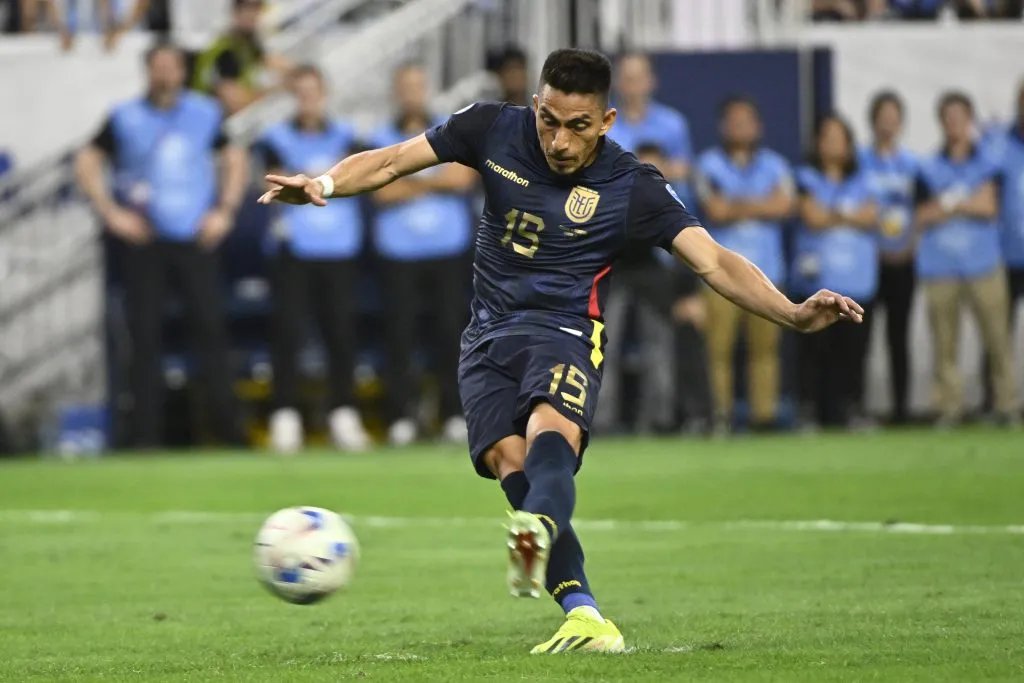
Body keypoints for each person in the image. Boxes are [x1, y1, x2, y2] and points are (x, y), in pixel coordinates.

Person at [258, 48, 864, 654]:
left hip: (565, 330)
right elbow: (392, 161)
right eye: (549, 120)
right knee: (509, 461)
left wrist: (790, 311)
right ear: (535, 105)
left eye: (578, 126)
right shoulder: (491, 127)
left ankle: (539, 530)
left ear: (607, 121)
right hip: (487, 336)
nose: (559, 141)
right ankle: (585, 616)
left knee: (552, 431)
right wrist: (323, 184)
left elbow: (714, 261)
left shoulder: (632, 186)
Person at [75, 41, 248, 448]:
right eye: (159, 66)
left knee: (211, 331)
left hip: (194, 239)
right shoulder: (125, 116)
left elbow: (234, 157)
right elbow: (87, 160)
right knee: (144, 337)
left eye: (173, 66)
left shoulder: (204, 113)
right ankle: (144, 437)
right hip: (145, 241)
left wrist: (225, 210)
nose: (166, 73)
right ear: (148, 70)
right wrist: (111, 212)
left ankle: (229, 433)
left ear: (183, 72)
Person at [253, 64, 371, 454]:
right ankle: (285, 415)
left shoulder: (348, 137)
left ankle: (344, 414)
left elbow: (359, 177)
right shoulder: (275, 138)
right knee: (287, 334)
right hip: (294, 250)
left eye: (313, 92)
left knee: (341, 334)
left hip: (339, 247)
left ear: (324, 94)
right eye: (300, 92)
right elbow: (272, 180)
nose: (307, 100)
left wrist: (309, 176)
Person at [369, 63, 478, 446]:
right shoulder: (379, 136)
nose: (412, 93)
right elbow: (381, 192)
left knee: (451, 334)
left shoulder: (450, 129)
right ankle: (400, 415)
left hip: (447, 249)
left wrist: (406, 179)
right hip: (399, 254)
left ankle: (453, 414)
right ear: (396, 91)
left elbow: (463, 179)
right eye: (406, 86)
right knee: (399, 337)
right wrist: (433, 181)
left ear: (426, 88)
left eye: (417, 85)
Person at [914, 91, 1018, 427]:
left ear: (970, 120)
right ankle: (949, 408)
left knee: (998, 340)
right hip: (939, 267)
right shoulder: (927, 167)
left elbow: (988, 207)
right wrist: (965, 202)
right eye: (948, 118)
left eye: (960, 117)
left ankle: (1007, 405)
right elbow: (921, 215)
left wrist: (948, 204)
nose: (954, 124)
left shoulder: (988, 163)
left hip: (984, 264)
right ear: (941, 122)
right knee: (944, 344)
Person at [694, 96, 794, 433]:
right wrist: (761, 204)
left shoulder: (777, 166)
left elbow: (784, 206)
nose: (740, 127)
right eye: (733, 121)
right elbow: (715, 210)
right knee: (717, 350)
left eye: (746, 120)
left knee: (765, 350)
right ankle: (720, 416)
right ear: (723, 126)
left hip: (767, 273)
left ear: (758, 126)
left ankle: (764, 417)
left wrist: (735, 204)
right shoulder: (707, 165)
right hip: (719, 274)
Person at [794, 114, 879, 430]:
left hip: (857, 280)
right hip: (817, 282)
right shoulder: (805, 178)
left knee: (854, 352)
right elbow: (812, 217)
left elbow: (871, 216)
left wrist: (832, 214)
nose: (833, 144)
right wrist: (848, 215)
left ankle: (852, 410)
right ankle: (809, 412)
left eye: (839, 137)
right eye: (827, 137)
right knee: (814, 350)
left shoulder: (864, 179)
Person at [860, 91, 919, 425]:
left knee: (899, 336)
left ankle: (902, 410)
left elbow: (920, 209)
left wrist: (910, 245)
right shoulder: (860, 160)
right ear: (873, 120)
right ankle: (860, 407)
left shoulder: (912, 165)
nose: (888, 123)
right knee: (862, 336)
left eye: (893, 117)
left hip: (903, 260)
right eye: (883, 116)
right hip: (869, 261)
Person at [606, 52, 692, 188]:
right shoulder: (602, 125)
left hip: (663, 195)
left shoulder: (672, 122)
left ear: (652, 80)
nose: (633, 87)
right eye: (628, 79)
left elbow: (683, 170)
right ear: (615, 82)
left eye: (639, 79)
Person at [190, 0, 288, 116]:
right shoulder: (225, 52)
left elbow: (281, 66)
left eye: (256, 9)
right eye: (246, 9)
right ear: (235, 12)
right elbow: (236, 105)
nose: (252, 15)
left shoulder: (249, 44)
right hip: (210, 119)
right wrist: (274, 91)